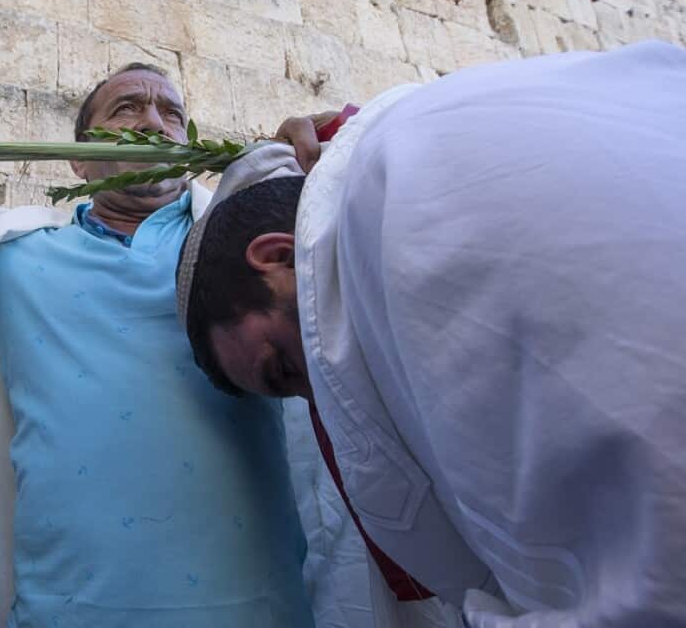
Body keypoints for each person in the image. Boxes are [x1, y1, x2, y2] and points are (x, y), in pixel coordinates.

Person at [176, 40, 686, 626]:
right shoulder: (433, 125)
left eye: (284, 367)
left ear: (279, 254)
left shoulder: (399, 230)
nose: (316, 398)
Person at [0, 63, 317, 627]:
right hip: (68, 612)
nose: (153, 122)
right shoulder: (12, 258)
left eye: (172, 113)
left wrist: (326, 161)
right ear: (77, 159)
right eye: (126, 108)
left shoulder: (256, 246)